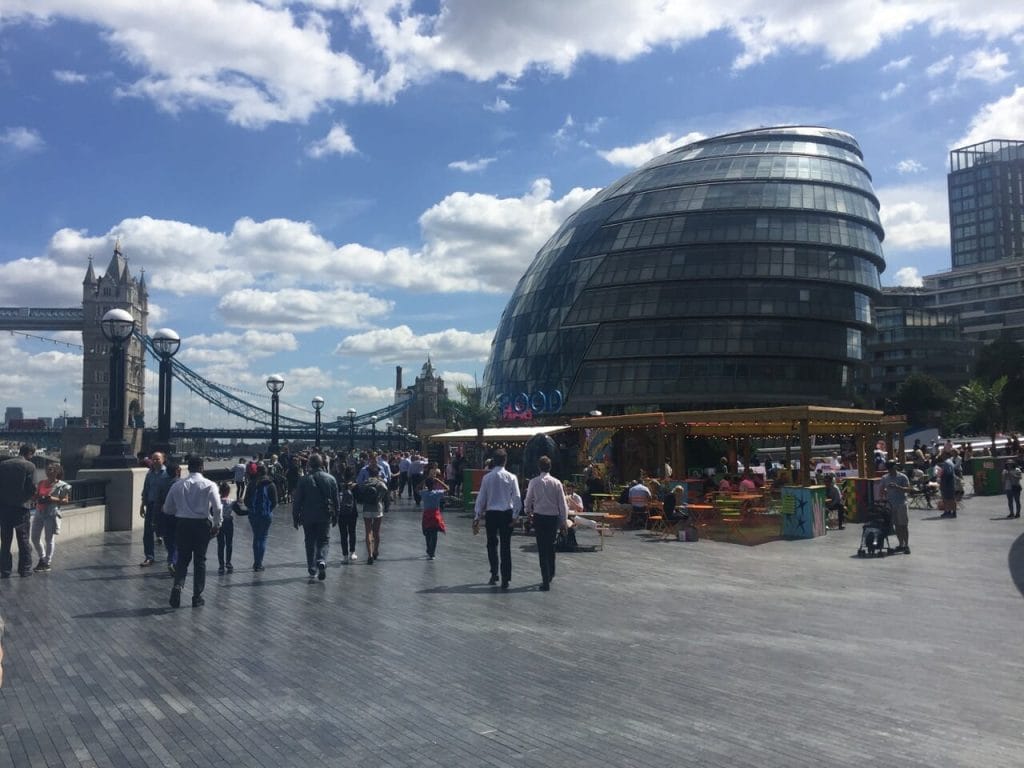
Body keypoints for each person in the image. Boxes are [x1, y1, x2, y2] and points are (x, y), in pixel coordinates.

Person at [163, 455, 222, 608]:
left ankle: (178, 586)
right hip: (202, 525)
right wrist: (217, 524)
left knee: (182, 559)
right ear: (202, 467)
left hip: (182, 524)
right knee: (200, 561)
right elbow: (218, 507)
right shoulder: (209, 484)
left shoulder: (177, 485)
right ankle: (197, 596)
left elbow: (167, 508)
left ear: (187, 468)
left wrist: (181, 510)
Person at [473, 449, 521, 589]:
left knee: (491, 544)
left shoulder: (487, 478)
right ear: (505, 460)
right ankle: (506, 578)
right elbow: (517, 498)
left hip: (492, 514)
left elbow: (481, 499)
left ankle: (494, 573)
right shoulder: (512, 477)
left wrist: (477, 516)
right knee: (506, 546)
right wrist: (515, 516)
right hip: (506, 513)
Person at [523, 456, 569, 591]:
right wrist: (563, 520)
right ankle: (551, 571)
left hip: (539, 517)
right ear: (550, 467)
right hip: (552, 517)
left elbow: (528, 499)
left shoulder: (533, 482)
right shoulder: (557, 483)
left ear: (539, 467)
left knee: (542, 547)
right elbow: (562, 504)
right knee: (551, 544)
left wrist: (528, 511)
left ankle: (545, 579)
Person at [291, 454, 339, 583]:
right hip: (324, 515)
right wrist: (336, 515)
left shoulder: (303, 480)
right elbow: (336, 500)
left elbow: (297, 501)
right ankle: (321, 560)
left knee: (309, 541)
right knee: (324, 540)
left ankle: (312, 569)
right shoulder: (331, 479)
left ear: (309, 465)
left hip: (307, 516)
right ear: (322, 464)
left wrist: (295, 517)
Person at [0, 444, 38, 578]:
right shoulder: (29, 466)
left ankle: (5, 570)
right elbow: (32, 488)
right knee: (23, 539)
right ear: (29, 453)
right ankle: (25, 569)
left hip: (4, 508)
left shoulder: (3, 465)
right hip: (21, 508)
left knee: (5, 541)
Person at [30, 463, 71, 572]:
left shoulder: (62, 485)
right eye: (47, 469)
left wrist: (52, 499)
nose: (48, 472)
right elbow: (36, 496)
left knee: (49, 539)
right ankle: (42, 558)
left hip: (51, 513)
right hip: (39, 512)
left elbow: (66, 501)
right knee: (34, 537)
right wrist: (34, 497)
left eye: (51, 470)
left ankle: (47, 562)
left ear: (57, 472)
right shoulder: (41, 483)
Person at [245, 463, 278, 571]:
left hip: (254, 515)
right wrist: (268, 510)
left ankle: (256, 561)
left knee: (256, 537)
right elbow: (275, 502)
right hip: (266, 515)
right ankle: (259, 563)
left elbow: (246, 501)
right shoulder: (271, 484)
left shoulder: (252, 484)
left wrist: (252, 509)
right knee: (263, 537)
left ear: (257, 472)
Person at [139, 451, 169, 567]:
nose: (155, 461)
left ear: (163, 460)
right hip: (151, 505)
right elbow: (146, 489)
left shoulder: (167, 474)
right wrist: (142, 505)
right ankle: (149, 557)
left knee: (165, 532)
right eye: (153, 459)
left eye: (158, 459)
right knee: (147, 532)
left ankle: (171, 557)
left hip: (162, 507)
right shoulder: (149, 473)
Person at [878, 459, 911, 554]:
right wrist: (883, 494)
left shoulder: (902, 477)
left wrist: (897, 487)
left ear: (895, 467)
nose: (889, 470)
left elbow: (908, 489)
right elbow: (881, 489)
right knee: (896, 526)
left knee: (903, 525)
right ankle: (901, 544)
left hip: (901, 503)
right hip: (891, 504)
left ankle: (907, 545)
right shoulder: (885, 477)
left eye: (891, 468)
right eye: (888, 468)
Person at [359, 463, 388, 564]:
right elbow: (385, 489)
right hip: (377, 508)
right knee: (376, 532)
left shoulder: (365, 482)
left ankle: (369, 554)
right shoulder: (380, 483)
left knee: (368, 532)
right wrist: (379, 498)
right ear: (378, 473)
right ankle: (375, 550)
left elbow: (360, 491)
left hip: (367, 508)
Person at [419, 472, 447, 560]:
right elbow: (447, 488)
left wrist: (424, 481)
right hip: (435, 515)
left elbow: (417, 488)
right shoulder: (437, 493)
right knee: (434, 535)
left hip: (427, 514)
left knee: (427, 533)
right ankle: (432, 552)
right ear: (434, 484)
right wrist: (438, 480)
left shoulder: (423, 493)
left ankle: (428, 548)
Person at [216, 481, 235, 575]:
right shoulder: (231, 502)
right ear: (228, 491)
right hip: (229, 523)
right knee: (229, 543)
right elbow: (240, 511)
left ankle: (221, 565)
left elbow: (212, 513)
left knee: (220, 544)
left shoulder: (217, 501)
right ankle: (228, 562)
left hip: (220, 523)